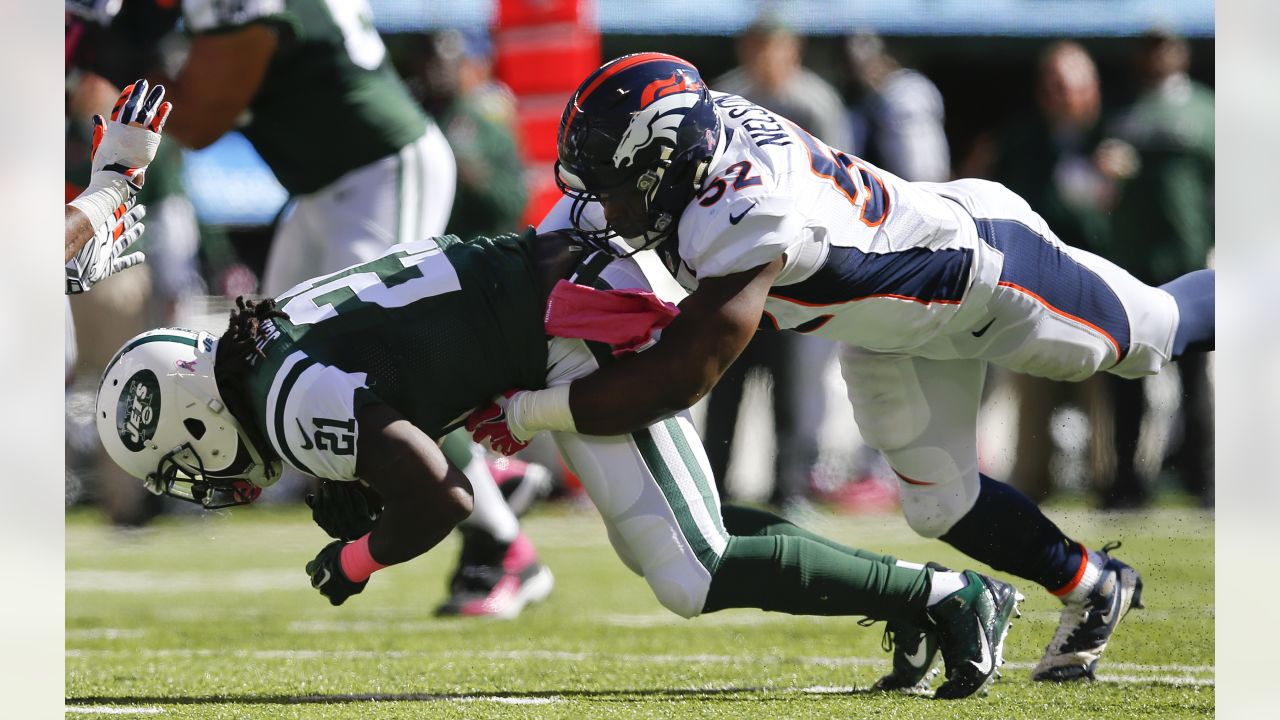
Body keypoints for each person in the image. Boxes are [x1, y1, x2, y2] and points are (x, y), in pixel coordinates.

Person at [482, 52, 1215, 682]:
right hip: (889, 329)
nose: (601, 204)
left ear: (669, 160)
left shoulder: (746, 207)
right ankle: (1094, 586)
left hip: (986, 276)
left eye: (614, 181)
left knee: (1156, 334)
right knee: (940, 504)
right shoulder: (692, 147)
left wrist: (524, 412)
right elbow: (554, 250)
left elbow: (686, 375)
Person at [95, 228, 1022, 700]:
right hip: (557, 291)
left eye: (183, 463)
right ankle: (912, 596)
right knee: (687, 526)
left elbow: (443, 495)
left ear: (194, 426)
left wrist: (358, 560)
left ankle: (948, 599)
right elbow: (416, 402)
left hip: (572, 323)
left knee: (685, 569)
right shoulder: (266, 345)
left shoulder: (283, 399)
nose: (199, 481)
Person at [703, 13, 846, 514]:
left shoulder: (816, 103)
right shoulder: (724, 98)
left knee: (794, 387)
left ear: (793, 50)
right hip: (734, 266)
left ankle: (790, 489)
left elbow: (837, 181)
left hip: (795, 268)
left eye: (774, 46)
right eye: (757, 45)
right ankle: (713, 488)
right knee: (723, 381)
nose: (765, 56)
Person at [992, 42, 1121, 503]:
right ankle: (1031, 486)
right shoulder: (1023, 140)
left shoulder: (1115, 135)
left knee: (1102, 395)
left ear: (1092, 90)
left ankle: (1111, 488)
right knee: (1032, 396)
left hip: (1099, 288)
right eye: (1050, 86)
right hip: (1037, 291)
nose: (1058, 96)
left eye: (1067, 86)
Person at [1102, 30, 1215, 509]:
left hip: (1189, 258)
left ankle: (1203, 478)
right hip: (1132, 263)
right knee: (1127, 372)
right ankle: (1127, 479)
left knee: (1195, 376)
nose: (1156, 56)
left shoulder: (1206, 112)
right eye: (1147, 48)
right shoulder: (1123, 113)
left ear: (1180, 52)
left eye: (1163, 47)